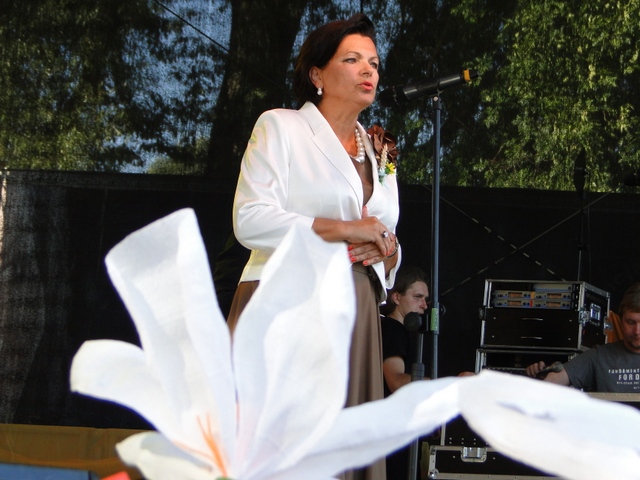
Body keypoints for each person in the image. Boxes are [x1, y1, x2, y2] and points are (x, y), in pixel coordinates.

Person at [228, 14, 401, 480]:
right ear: (317, 74)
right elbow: (250, 219)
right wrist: (345, 229)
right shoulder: (281, 126)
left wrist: (389, 252)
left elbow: (384, 233)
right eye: (352, 60)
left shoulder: (380, 150)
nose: (368, 70)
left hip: (357, 308)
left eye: (374, 63)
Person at [526, 282, 640, 392]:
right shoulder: (600, 356)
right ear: (621, 321)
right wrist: (539, 378)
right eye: (630, 322)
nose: (637, 331)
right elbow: (555, 379)